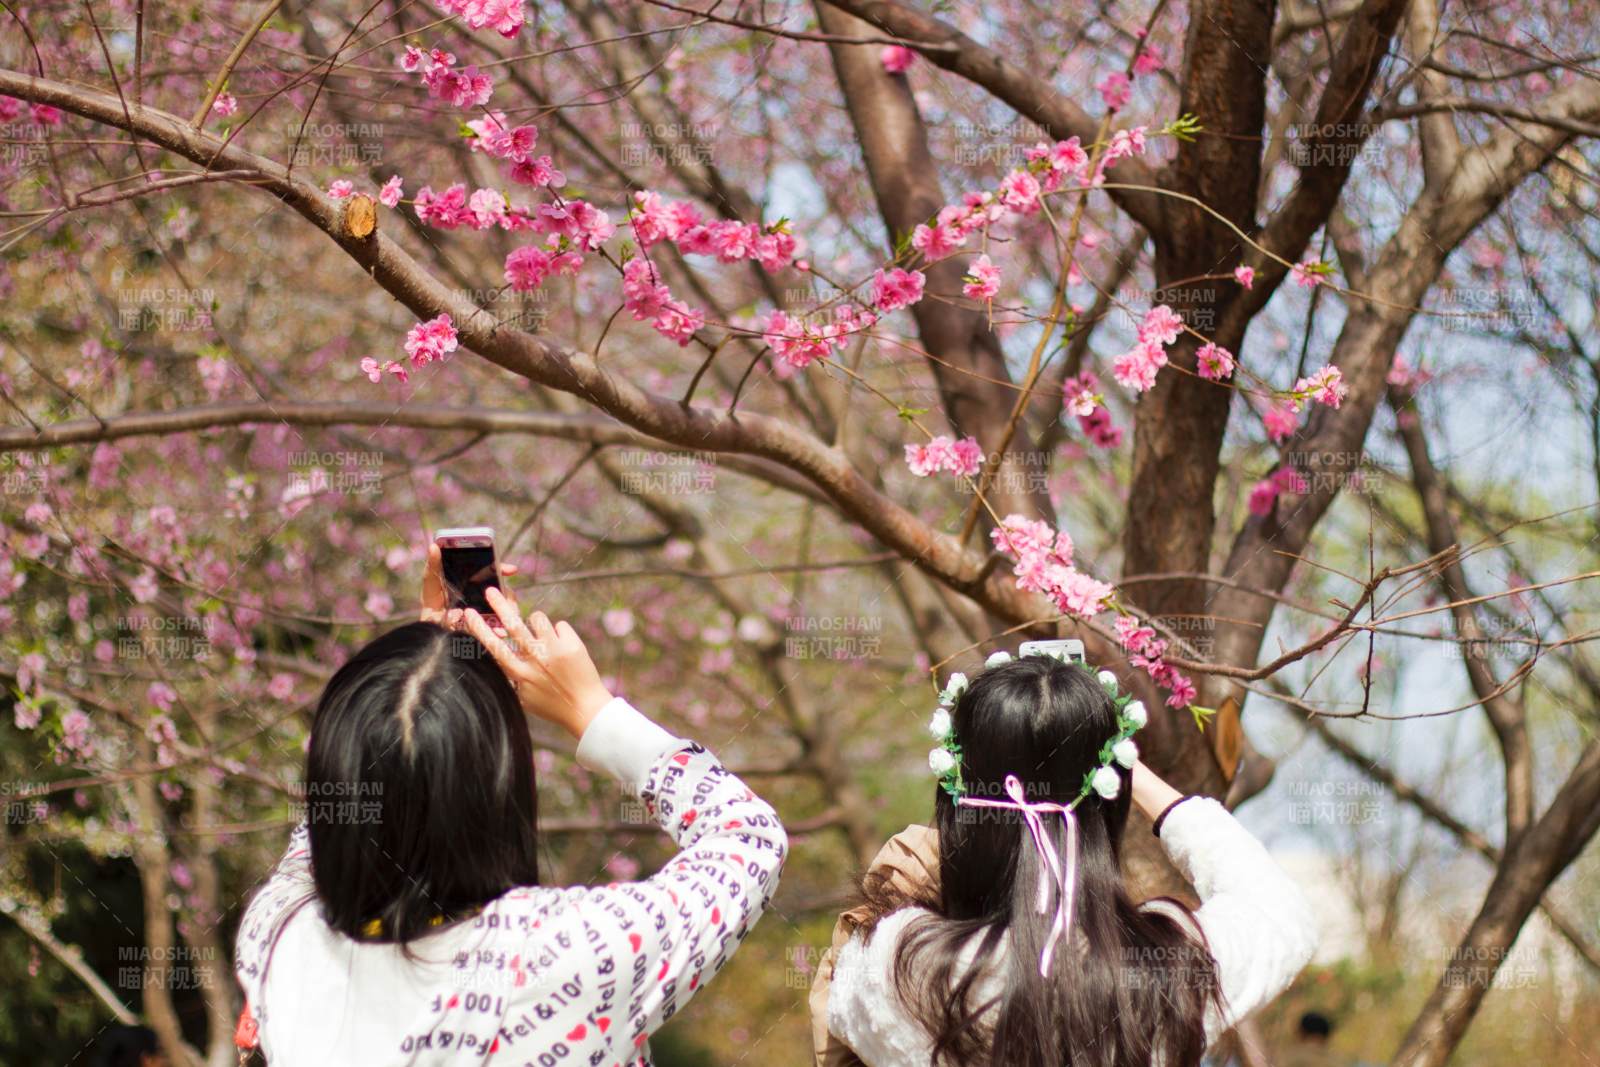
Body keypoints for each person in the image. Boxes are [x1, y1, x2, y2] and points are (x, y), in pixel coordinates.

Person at [233, 544, 787, 1064]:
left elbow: (335, 823)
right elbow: (748, 838)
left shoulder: (277, 937)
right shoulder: (567, 955)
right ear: (498, 782)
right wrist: (591, 711)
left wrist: (424, 674)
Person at [810, 650, 1317, 1067]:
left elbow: (839, 1016)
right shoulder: (1167, 969)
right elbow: (1279, 912)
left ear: (956, 800)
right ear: (1110, 800)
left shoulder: (899, 964)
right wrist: (1132, 773)